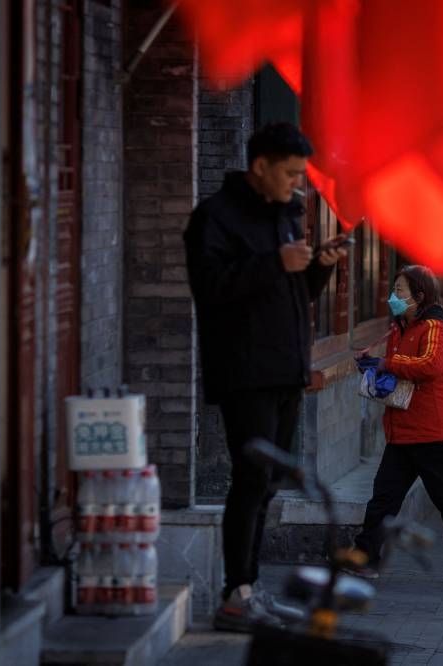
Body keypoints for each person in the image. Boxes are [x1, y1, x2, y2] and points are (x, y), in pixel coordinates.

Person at [184, 122, 349, 633]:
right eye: (289, 173)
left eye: (301, 174)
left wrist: (318, 267)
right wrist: (275, 262)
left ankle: (250, 588)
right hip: (246, 370)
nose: (296, 184)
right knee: (249, 480)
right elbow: (211, 289)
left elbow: (292, 296)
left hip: (285, 369)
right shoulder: (215, 218)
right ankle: (237, 593)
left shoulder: (284, 215)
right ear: (260, 167)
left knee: (269, 486)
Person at [351, 265, 443, 584]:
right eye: (394, 290)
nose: (393, 297)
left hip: (435, 432)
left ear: (419, 295)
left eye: (399, 291)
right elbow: (403, 370)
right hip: (403, 431)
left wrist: (388, 363)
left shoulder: (435, 327)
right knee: (384, 497)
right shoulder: (401, 327)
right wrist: (375, 368)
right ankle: (365, 558)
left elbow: (429, 366)